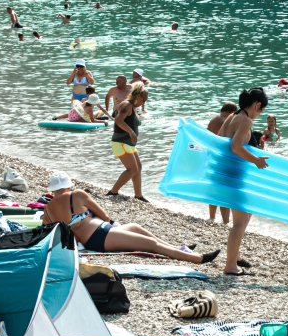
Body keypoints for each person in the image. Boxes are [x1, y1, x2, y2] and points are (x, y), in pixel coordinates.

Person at [42, 171, 220, 263]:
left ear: (52, 189)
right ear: (67, 185)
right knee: (151, 245)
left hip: (96, 237)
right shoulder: (77, 195)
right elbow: (104, 215)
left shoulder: (48, 210)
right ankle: (198, 259)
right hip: (100, 235)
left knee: (135, 227)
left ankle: (178, 248)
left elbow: (49, 233)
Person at [216, 87, 271, 276]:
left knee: (247, 213)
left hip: (224, 172)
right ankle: (231, 266)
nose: (259, 115)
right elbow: (236, 146)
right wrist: (256, 160)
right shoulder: (246, 120)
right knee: (239, 222)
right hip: (232, 175)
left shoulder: (232, 116)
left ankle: (236, 255)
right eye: (261, 110)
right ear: (257, 105)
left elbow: (222, 142)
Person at [107, 83, 148, 199]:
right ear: (139, 96)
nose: (144, 103)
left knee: (138, 167)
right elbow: (118, 120)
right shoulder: (127, 105)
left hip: (128, 143)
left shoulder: (133, 107)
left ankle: (138, 195)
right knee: (132, 169)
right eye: (144, 100)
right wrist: (131, 132)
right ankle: (113, 191)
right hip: (121, 141)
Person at [205, 102, 237, 223]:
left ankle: (212, 217)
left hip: (211, 157)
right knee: (224, 190)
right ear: (233, 112)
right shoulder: (227, 121)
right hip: (222, 158)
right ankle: (225, 221)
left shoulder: (214, 119)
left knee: (213, 188)